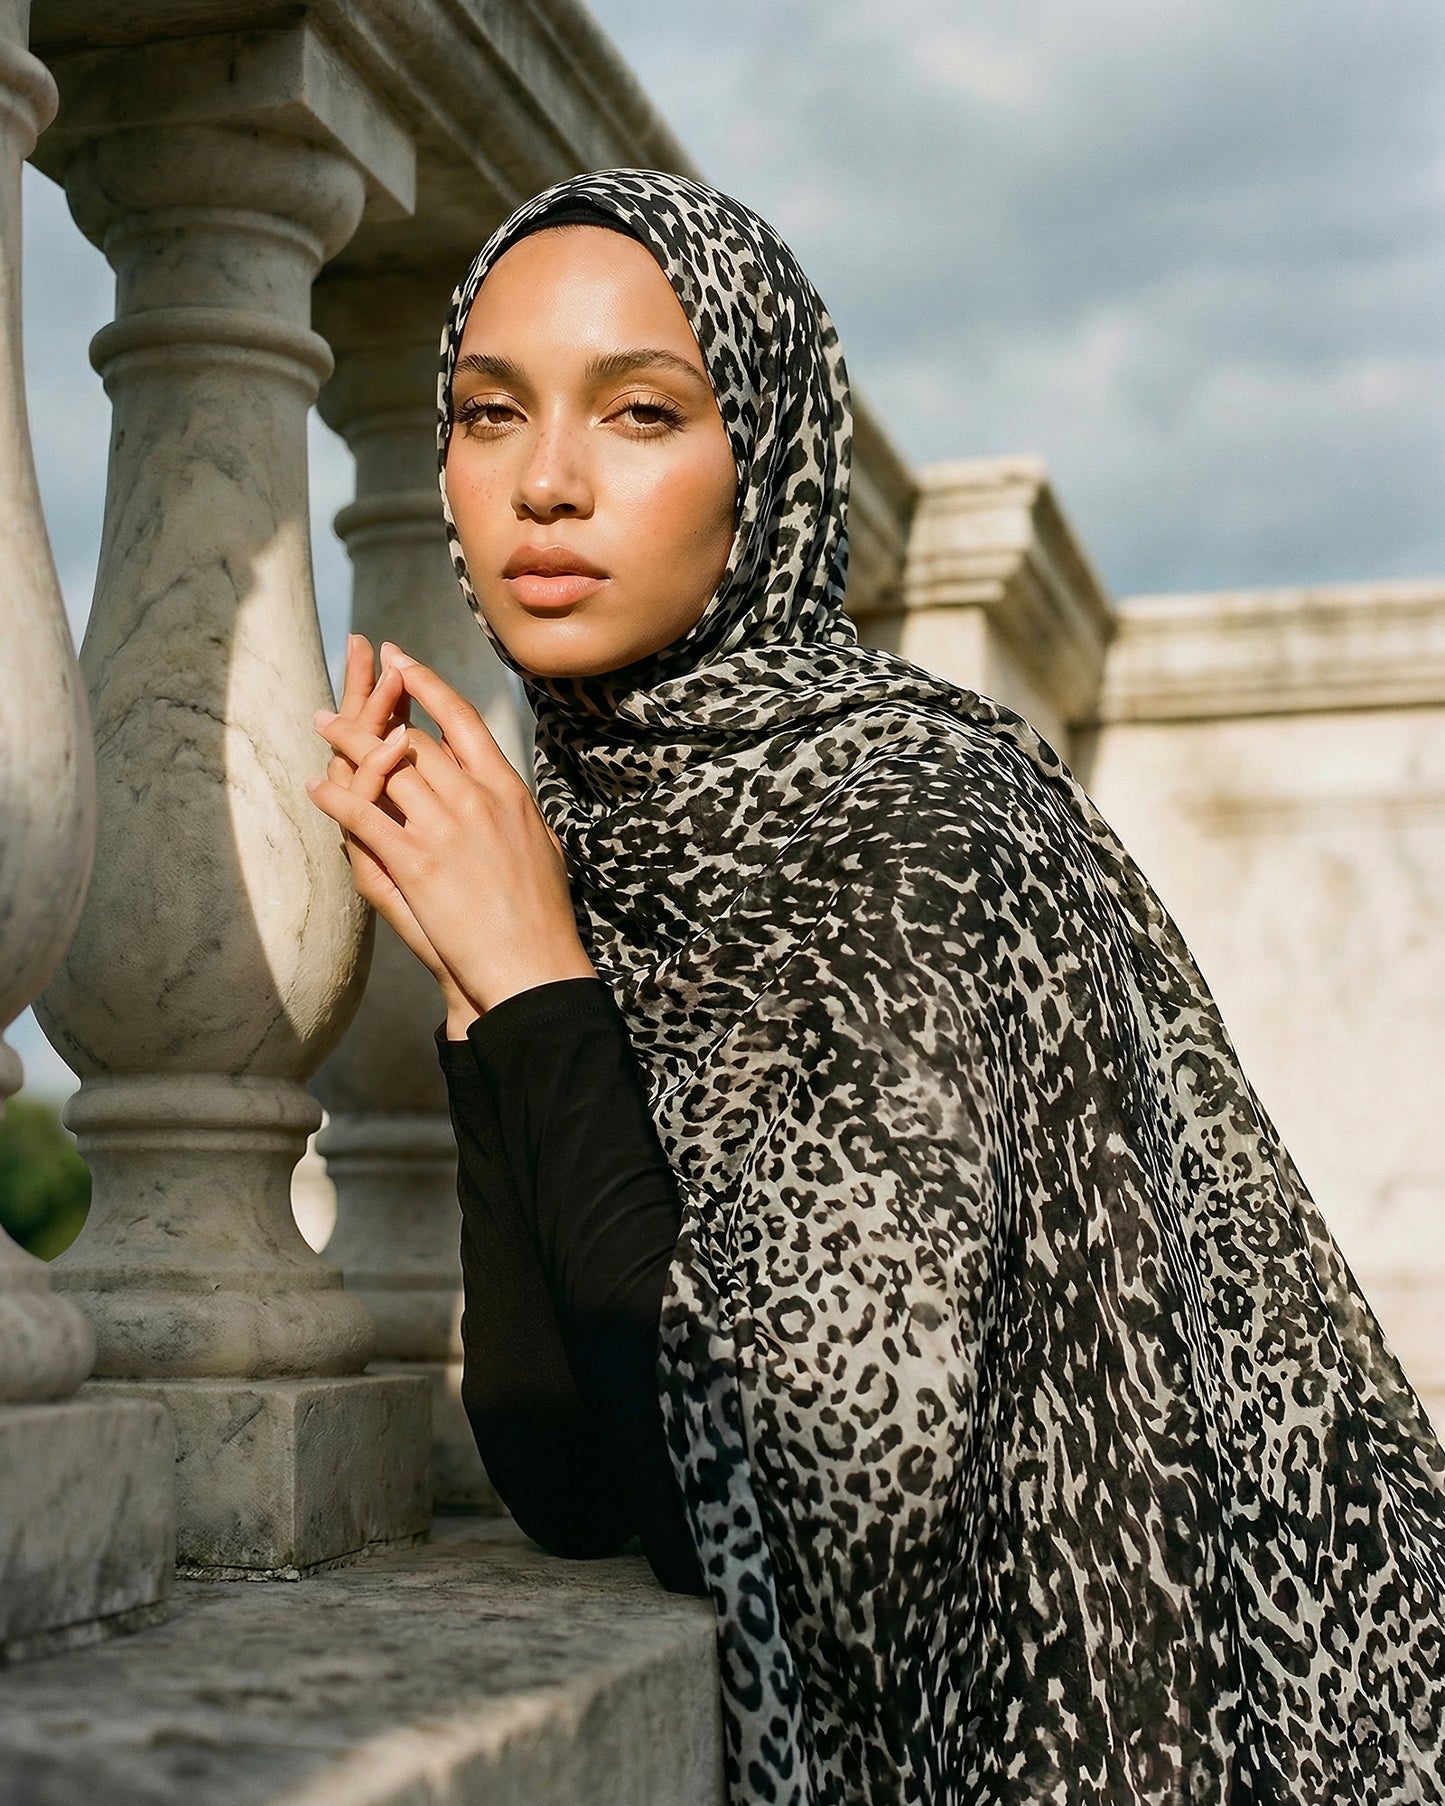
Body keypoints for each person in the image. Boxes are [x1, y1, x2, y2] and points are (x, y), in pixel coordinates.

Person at [304, 169, 1445, 1806]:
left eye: (639, 412)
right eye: (491, 413)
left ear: (764, 465)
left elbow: (809, 1491)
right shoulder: (598, 834)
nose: (543, 482)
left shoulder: (909, 819)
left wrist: (541, 984)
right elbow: (569, 1472)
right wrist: (491, 996)